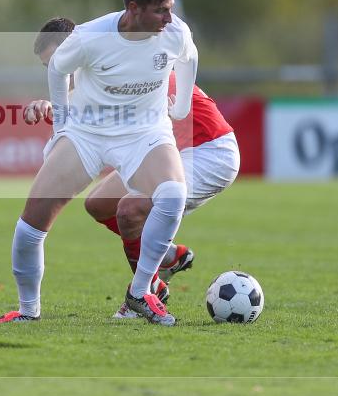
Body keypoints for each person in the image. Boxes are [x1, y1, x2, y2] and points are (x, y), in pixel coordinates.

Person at [0, 0, 197, 326]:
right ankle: (28, 313)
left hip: (144, 132)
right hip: (87, 134)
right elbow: (57, 68)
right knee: (30, 226)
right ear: (134, 9)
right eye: (161, 10)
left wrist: (180, 106)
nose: (170, 17)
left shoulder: (174, 33)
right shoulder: (90, 36)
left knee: (172, 195)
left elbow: (190, 56)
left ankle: (140, 293)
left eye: (169, 9)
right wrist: (61, 129)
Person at [25, 17, 240, 319]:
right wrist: (51, 106)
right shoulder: (107, 69)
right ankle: (163, 260)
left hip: (210, 151)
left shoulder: (119, 63)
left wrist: (55, 107)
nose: (57, 71)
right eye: (49, 67)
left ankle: (141, 295)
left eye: (59, 63)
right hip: (178, 151)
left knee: (128, 211)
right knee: (98, 205)